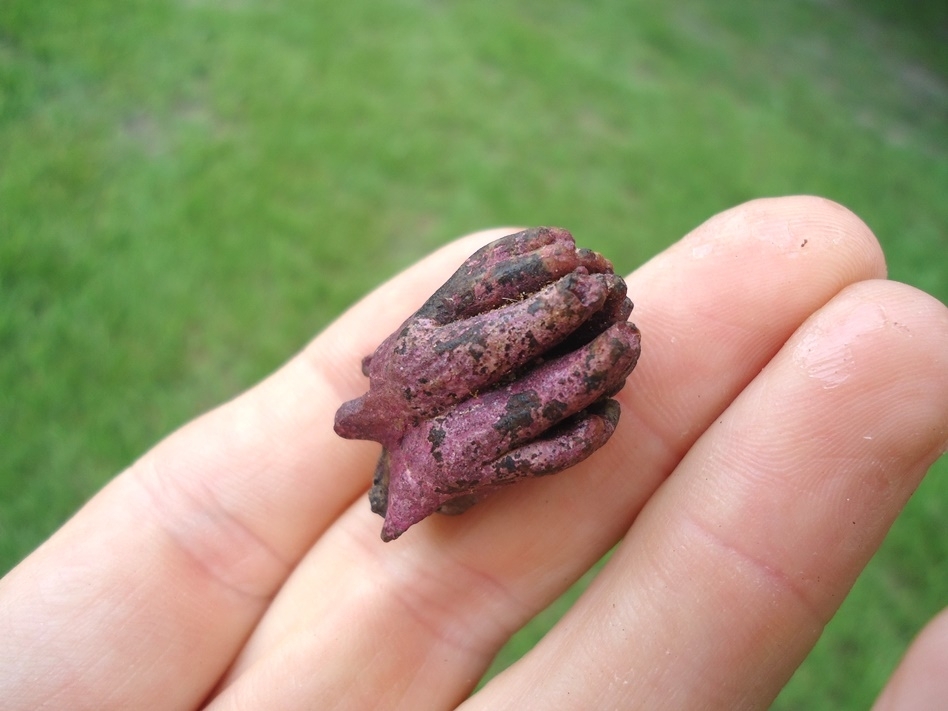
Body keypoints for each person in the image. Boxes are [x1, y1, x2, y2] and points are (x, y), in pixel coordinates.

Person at [1, 196, 945, 710]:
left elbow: (557, 424)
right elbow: (559, 430)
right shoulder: (406, 417)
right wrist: (549, 438)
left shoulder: (411, 395)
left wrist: (553, 433)